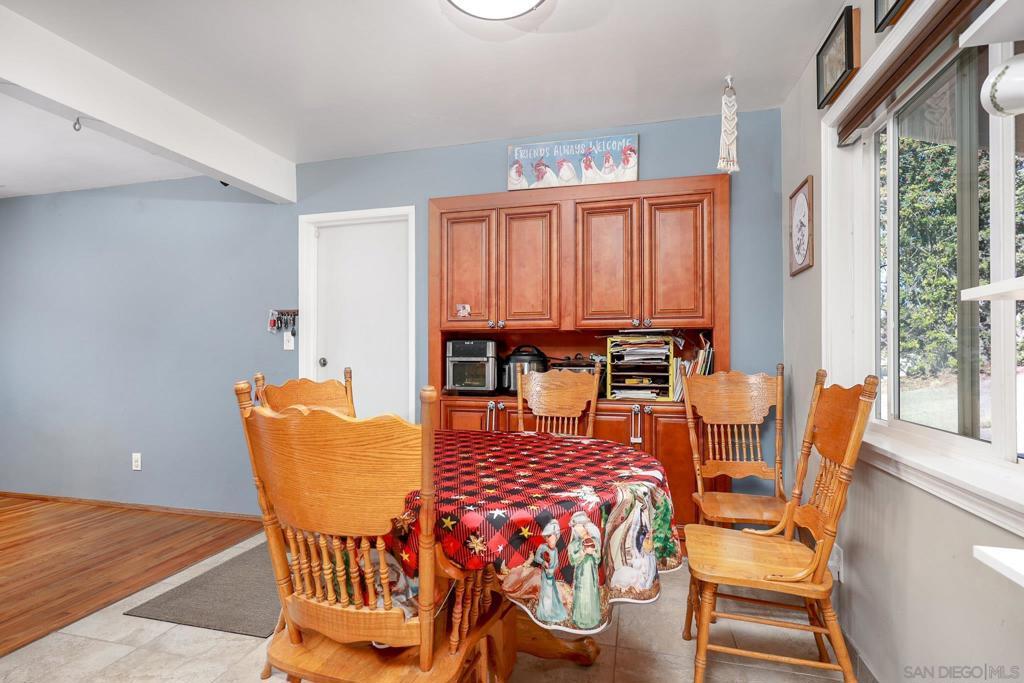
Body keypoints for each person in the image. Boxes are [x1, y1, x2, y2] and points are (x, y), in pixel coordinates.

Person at [568, 510, 602, 629]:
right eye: (576, 528)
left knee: (591, 594)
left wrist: (593, 552)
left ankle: (593, 618)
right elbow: (572, 560)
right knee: (581, 595)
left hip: (591, 574)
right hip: (581, 574)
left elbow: (598, 558)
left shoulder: (594, 541)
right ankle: (580, 619)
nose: (578, 530)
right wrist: (583, 552)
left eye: (580, 527)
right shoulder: (574, 544)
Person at [534, 519, 568, 623]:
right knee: (546, 593)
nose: (548, 539)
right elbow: (536, 558)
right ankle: (546, 613)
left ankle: (550, 611)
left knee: (552, 593)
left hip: (551, 575)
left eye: (550, 536)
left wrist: (553, 570)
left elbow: (557, 563)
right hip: (545, 574)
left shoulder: (556, 550)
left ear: (556, 536)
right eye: (546, 537)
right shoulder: (542, 547)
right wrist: (543, 562)